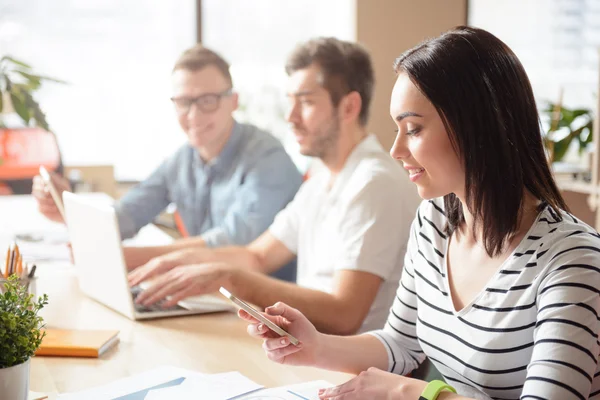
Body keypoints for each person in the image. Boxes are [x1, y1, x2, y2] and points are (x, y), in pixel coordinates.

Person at [239, 26, 600, 400]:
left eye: (412, 129)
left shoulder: (573, 261)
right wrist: (313, 346)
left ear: (475, 127)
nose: (396, 149)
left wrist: (414, 393)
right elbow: (401, 343)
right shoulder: (435, 221)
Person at [127, 37, 421, 335]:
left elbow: (344, 314)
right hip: (316, 353)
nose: (290, 117)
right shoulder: (321, 182)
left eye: (305, 102)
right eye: (290, 101)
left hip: (358, 370)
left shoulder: (374, 183)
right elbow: (258, 256)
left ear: (348, 107)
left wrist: (231, 279)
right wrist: (181, 261)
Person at [32, 45, 302, 280]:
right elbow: (127, 214)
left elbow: (234, 242)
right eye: (184, 102)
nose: (194, 115)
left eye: (207, 101)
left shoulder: (268, 158)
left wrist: (129, 257)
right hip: (209, 295)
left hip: (271, 308)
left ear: (233, 101)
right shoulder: (182, 160)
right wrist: (65, 208)